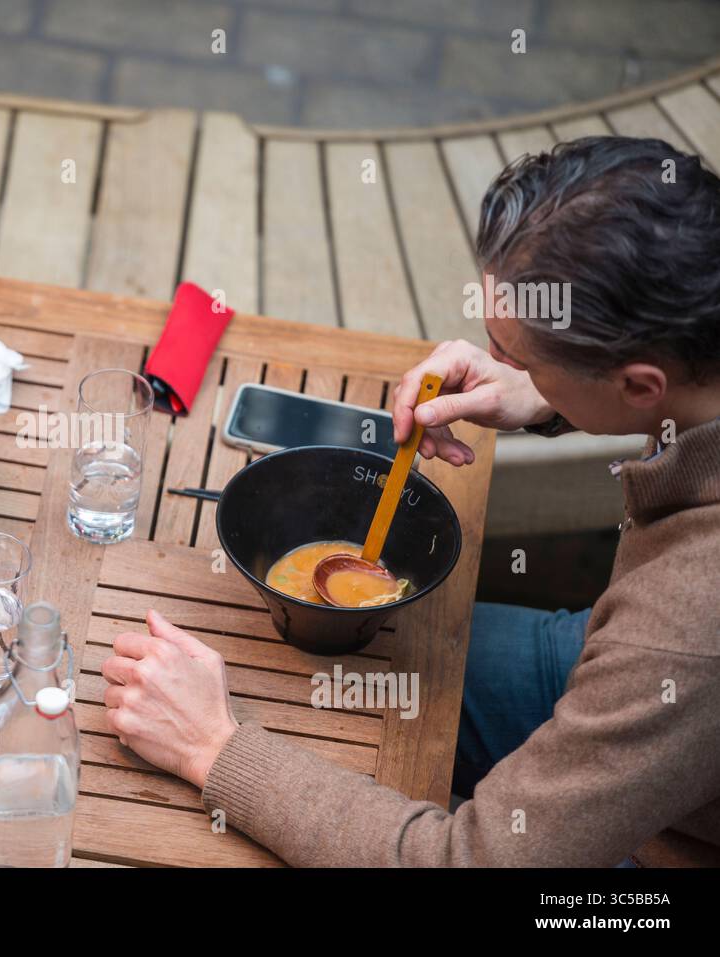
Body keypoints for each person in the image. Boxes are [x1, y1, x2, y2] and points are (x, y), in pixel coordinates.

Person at [103, 136, 720, 866]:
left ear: (640, 384)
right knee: (316, 685)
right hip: (622, 664)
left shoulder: (681, 625)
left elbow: (469, 859)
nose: (501, 362)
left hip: (671, 833)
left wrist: (216, 750)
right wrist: (540, 392)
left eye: (522, 355)